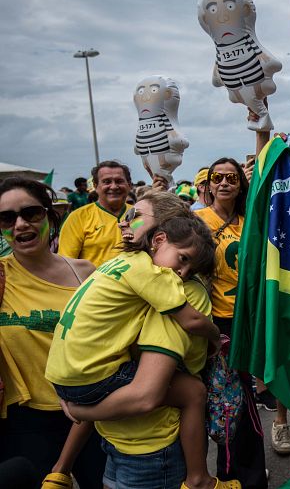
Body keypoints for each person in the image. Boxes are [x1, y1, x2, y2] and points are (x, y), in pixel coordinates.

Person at [46, 216, 228, 489]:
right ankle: (199, 480)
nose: (182, 274)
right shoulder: (155, 276)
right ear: (158, 239)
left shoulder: (117, 263)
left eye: (191, 270)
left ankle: (60, 470)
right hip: (124, 421)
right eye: (183, 259)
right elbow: (190, 321)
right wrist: (216, 336)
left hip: (62, 374)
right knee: (192, 391)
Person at [0, 178, 105, 489]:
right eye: (7, 218)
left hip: (92, 412)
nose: (20, 224)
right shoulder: (1, 275)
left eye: (31, 213)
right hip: (23, 419)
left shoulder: (85, 272)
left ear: (49, 216)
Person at [196, 157, 268, 489]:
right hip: (217, 327)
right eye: (217, 177)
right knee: (229, 406)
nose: (224, 182)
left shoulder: (249, 220)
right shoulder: (196, 220)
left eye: (231, 177)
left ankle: (244, 476)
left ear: (240, 184)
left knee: (244, 405)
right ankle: (236, 477)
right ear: (208, 185)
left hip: (249, 321)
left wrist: (261, 126)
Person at [58, 161, 132, 266]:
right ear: (96, 186)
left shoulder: (141, 213)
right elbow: (67, 264)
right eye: (107, 182)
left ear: (129, 185)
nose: (114, 186)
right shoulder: (77, 217)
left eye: (119, 181)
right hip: (95, 282)